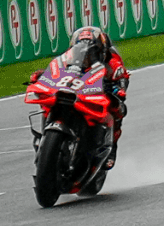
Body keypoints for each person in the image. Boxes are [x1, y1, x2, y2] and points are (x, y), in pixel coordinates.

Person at [34, 25, 131, 169]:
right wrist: (43, 76)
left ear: (101, 49)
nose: (86, 51)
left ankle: (111, 149)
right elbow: (56, 69)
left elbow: (122, 78)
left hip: (99, 91)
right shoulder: (68, 57)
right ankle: (45, 135)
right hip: (75, 88)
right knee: (49, 99)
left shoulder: (112, 60)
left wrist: (118, 88)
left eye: (92, 49)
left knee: (118, 109)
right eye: (80, 47)